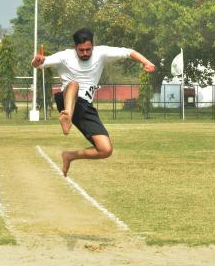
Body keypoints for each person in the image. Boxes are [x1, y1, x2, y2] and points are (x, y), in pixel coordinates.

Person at [31, 28, 155, 177]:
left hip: (85, 107)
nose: (85, 53)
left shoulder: (101, 53)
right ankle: (67, 117)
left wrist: (146, 62)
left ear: (93, 46)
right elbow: (38, 64)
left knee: (105, 149)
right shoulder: (65, 56)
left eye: (88, 50)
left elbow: (128, 52)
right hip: (66, 101)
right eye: (81, 50)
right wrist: (36, 61)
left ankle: (70, 156)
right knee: (74, 84)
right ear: (75, 47)